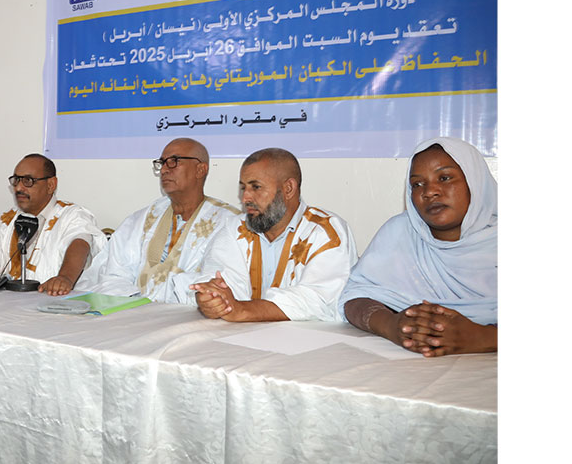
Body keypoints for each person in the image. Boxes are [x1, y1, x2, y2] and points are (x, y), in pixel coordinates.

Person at [339, 137, 497, 357]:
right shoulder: (401, 232)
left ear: (475, 182)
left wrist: (482, 338)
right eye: (417, 184)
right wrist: (392, 326)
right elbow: (354, 298)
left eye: (444, 178)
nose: (430, 191)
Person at [187, 148, 358, 322]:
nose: (245, 198)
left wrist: (242, 310)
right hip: (245, 335)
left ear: (288, 189)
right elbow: (218, 279)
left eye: (256, 187)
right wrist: (212, 299)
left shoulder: (325, 231)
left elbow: (316, 300)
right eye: (243, 188)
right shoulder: (235, 227)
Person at [75, 138, 241, 302]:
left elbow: (219, 282)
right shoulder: (142, 219)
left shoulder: (229, 223)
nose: (164, 170)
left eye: (174, 161)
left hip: (190, 315)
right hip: (133, 311)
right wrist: (139, 303)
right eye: (162, 163)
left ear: (200, 169)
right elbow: (113, 273)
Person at [0, 154, 105, 296]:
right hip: (7, 305)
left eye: (28, 180)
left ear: (51, 185)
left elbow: (80, 245)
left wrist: (65, 278)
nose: (18, 188)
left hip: (53, 303)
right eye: (16, 180)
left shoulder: (72, 215)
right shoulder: (9, 219)